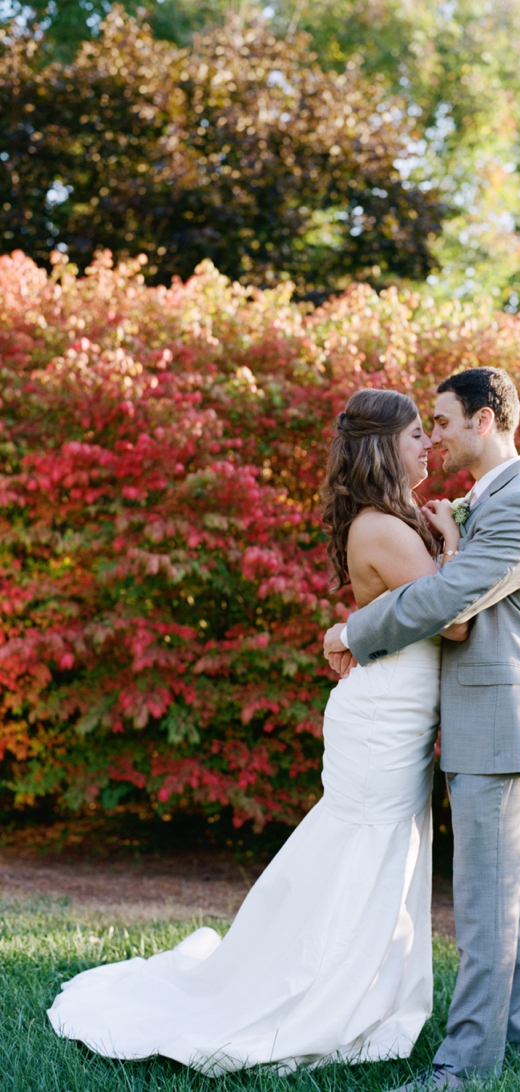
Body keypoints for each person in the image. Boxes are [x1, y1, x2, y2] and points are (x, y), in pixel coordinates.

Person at [47, 388, 468, 1076]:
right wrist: (452, 541)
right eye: (416, 433)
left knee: (382, 859)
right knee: (359, 858)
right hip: (382, 720)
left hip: (398, 712)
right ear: (382, 445)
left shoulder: (395, 519)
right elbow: (453, 619)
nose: (429, 445)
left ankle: (360, 995)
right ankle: (312, 1000)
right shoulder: (384, 527)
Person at [324, 367, 520, 1090]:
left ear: (484, 421)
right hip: (493, 724)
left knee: (484, 908)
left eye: (443, 422)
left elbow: (450, 597)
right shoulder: (492, 498)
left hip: (500, 726)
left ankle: (462, 1069)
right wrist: (453, 525)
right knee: (504, 894)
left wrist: (350, 630)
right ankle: (518, 1037)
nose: (434, 436)